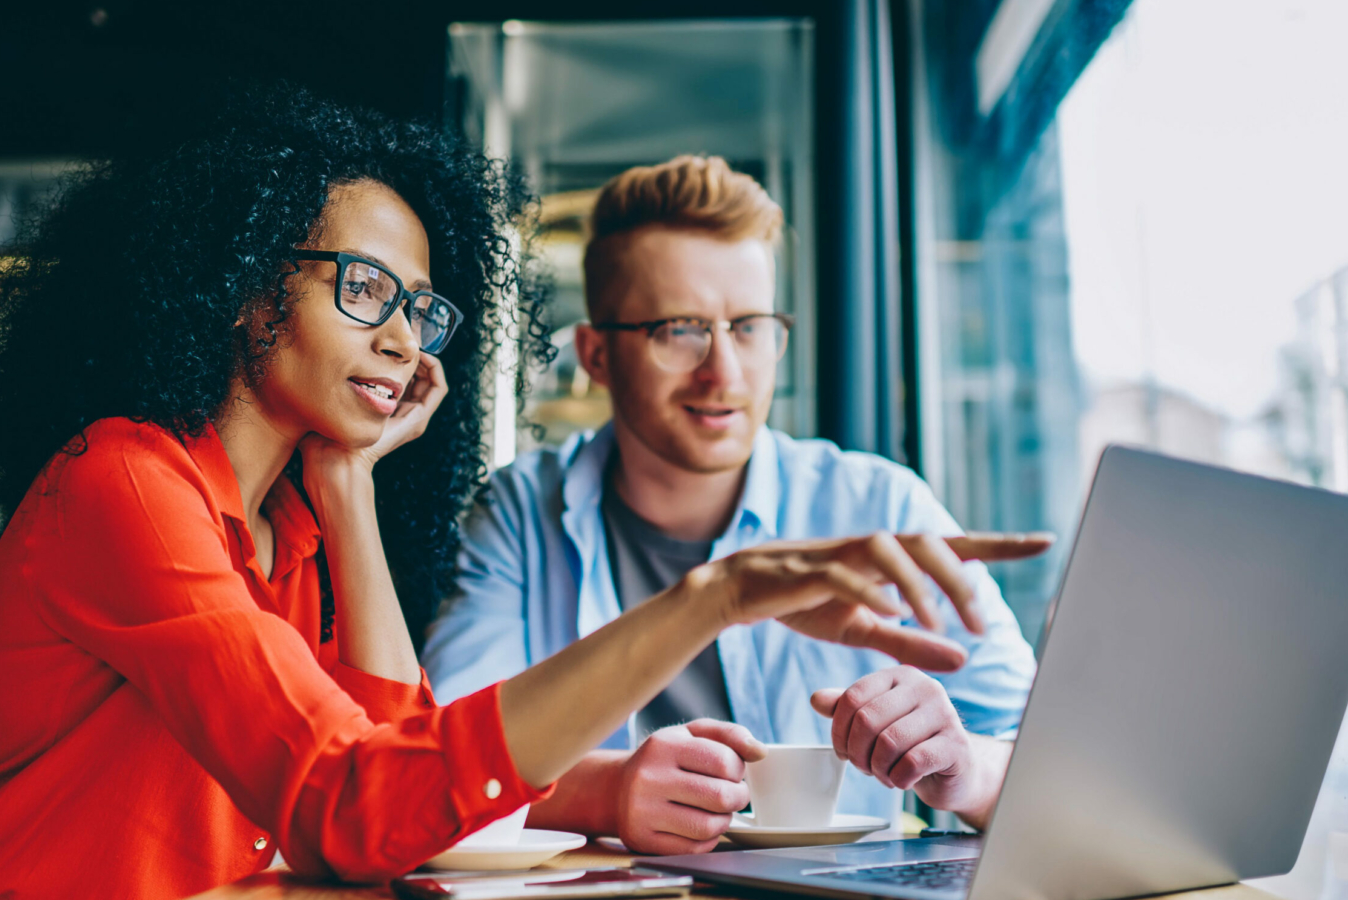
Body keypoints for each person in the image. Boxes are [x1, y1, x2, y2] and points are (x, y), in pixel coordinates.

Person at [0, 88, 1046, 900]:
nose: (401, 339)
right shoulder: (125, 482)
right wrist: (713, 598)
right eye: (364, 288)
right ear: (237, 286)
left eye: (419, 307)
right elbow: (355, 802)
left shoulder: (292, 528)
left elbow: (385, 754)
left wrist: (347, 483)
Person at [423, 156, 1046, 855]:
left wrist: (963, 769)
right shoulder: (519, 512)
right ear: (596, 356)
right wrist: (608, 791)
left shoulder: (879, 505)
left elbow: (1052, 762)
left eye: (749, 326)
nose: (724, 371)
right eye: (679, 330)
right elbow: (438, 763)